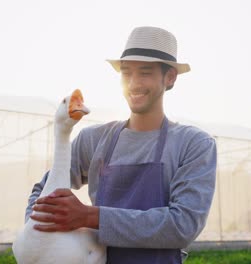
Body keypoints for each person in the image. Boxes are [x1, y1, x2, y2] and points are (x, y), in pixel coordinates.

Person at [25, 26, 217, 264]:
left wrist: (89, 216)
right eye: (127, 73)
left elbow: (182, 225)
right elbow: (42, 192)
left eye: (145, 72)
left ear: (170, 77)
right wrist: (35, 239)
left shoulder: (194, 144)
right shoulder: (93, 139)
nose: (134, 83)